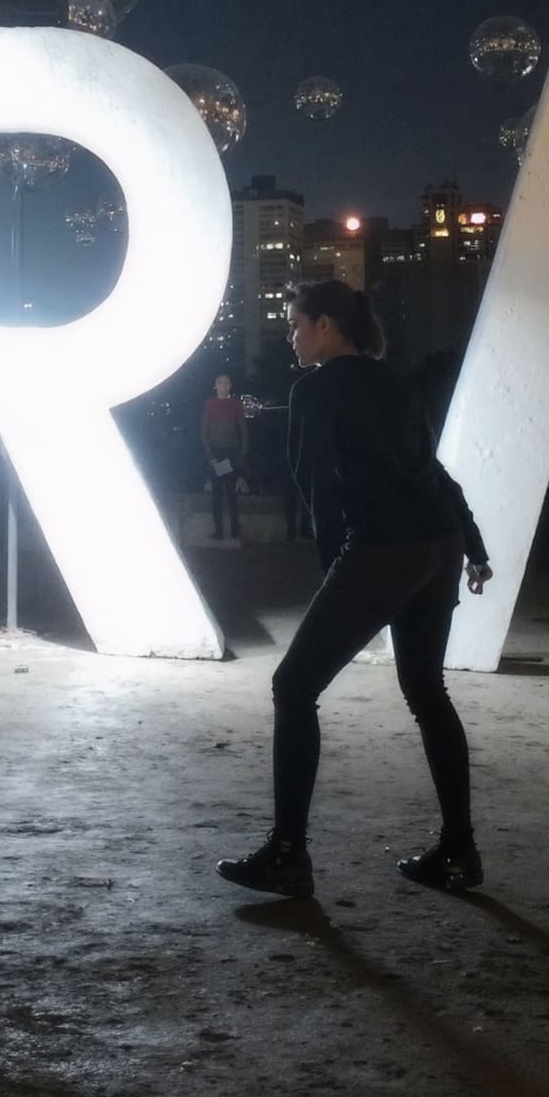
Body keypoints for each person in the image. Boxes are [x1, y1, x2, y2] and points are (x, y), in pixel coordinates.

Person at [218, 278, 491, 900]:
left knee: (293, 686)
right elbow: (433, 470)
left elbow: (317, 488)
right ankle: (459, 849)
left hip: (384, 550)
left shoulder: (314, 389)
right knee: (427, 690)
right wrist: (472, 545)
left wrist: (336, 569)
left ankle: (288, 855)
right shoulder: (395, 382)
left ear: (325, 327)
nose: (290, 335)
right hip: (438, 543)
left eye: (294, 324)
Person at [201, 373, 247, 544]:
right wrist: (210, 455)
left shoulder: (236, 404)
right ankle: (218, 530)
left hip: (231, 453)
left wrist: (242, 453)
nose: (223, 386)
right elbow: (203, 433)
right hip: (216, 453)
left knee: (231, 493)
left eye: (226, 383)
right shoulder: (210, 404)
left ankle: (235, 529)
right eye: (220, 383)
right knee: (217, 494)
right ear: (215, 386)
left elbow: (243, 430)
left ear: (230, 386)